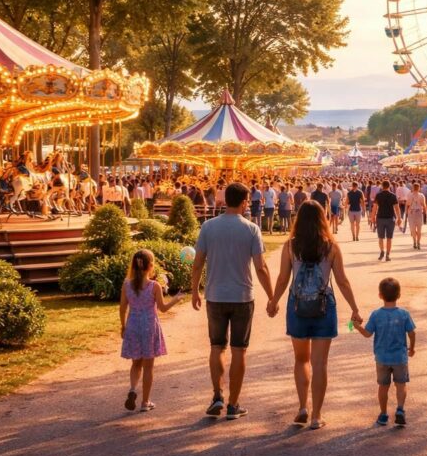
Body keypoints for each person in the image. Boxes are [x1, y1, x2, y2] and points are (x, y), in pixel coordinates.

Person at [267, 201, 363, 430]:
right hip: (324, 307)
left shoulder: (291, 246)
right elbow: (342, 281)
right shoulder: (331, 247)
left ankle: (303, 407)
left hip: (297, 305)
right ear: (322, 219)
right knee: (320, 363)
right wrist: (354, 308)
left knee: (301, 359)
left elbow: (283, 278)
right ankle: (316, 416)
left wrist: (274, 301)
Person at [191, 183, 276, 419]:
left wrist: (195, 290)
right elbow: (261, 267)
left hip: (215, 296)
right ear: (244, 202)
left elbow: (198, 263)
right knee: (239, 350)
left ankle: (217, 395)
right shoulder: (251, 229)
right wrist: (272, 296)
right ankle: (233, 404)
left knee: (217, 347)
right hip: (242, 297)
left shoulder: (208, 226)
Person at [120, 249, 182, 412]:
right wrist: (176, 299)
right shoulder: (154, 286)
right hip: (149, 327)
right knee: (148, 366)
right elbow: (163, 308)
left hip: (133, 325)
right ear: (151, 266)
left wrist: (123, 326)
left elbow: (122, 308)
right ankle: (145, 402)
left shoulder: (126, 285)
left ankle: (133, 389)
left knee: (136, 363)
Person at [355, 277, 416, 427]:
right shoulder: (404, 314)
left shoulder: (376, 315)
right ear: (399, 295)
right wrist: (412, 347)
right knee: (401, 384)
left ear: (380, 295)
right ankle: (400, 409)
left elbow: (367, 334)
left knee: (383, 387)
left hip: (382, 358)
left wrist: (356, 326)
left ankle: (383, 414)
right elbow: (412, 332)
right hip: (399, 358)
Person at [370, 180, 401, 262]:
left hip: (380, 218)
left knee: (380, 237)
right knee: (389, 238)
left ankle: (382, 251)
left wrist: (372, 217)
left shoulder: (378, 195)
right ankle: (388, 254)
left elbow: (375, 207)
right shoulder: (393, 196)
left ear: (382, 186)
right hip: (390, 218)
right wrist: (399, 218)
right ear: (389, 186)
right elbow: (397, 208)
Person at [406, 184, 427, 250]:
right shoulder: (421, 195)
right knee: (419, 229)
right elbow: (424, 205)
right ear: (419, 188)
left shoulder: (409, 195)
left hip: (411, 213)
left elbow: (407, 204)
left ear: (413, 188)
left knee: (413, 229)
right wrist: (425, 213)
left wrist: (406, 213)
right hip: (419, 213)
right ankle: (418, 242)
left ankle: (415, 241)